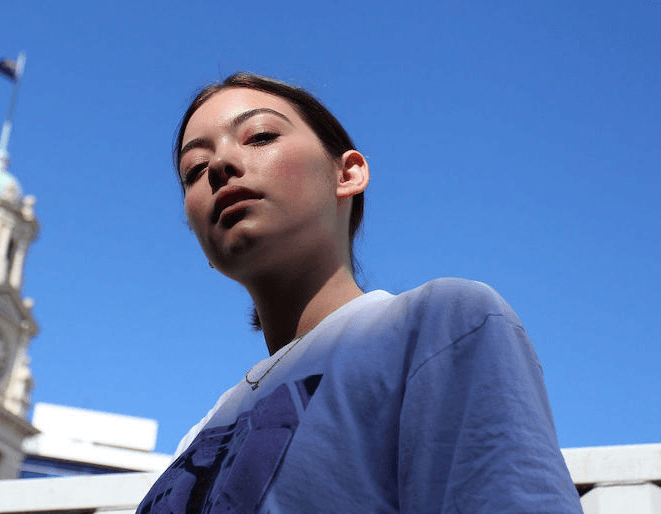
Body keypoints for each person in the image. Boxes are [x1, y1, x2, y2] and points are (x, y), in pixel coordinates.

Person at [137, 73, 582, 513]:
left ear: (347, 174)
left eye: (260, 136)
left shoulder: (440, 324)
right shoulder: (197, 436)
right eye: (194, 170)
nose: (218, 166)